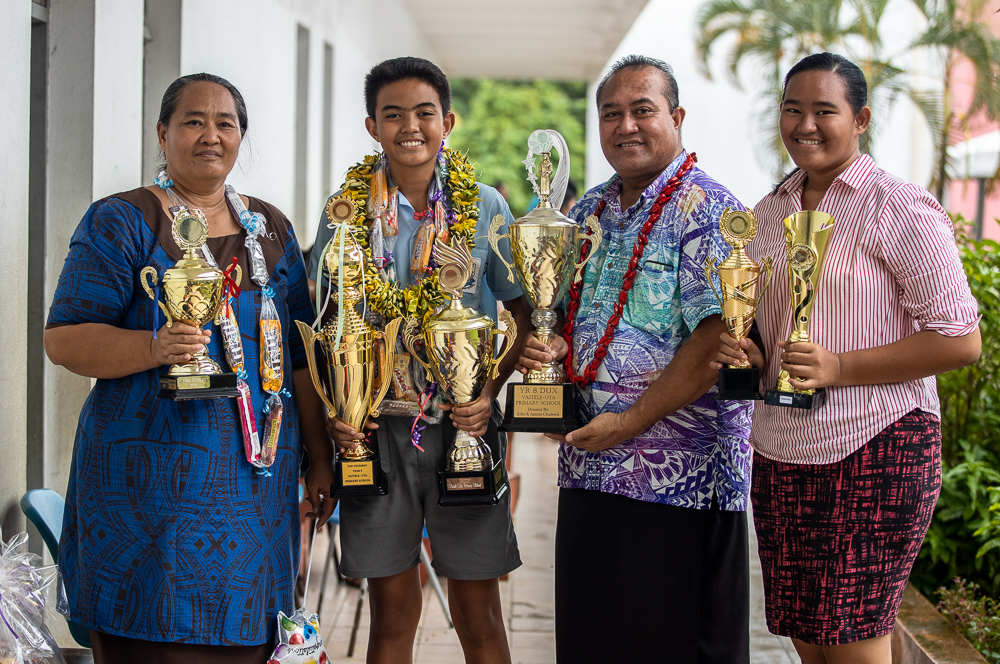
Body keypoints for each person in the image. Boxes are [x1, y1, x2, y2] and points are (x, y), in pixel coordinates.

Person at [43, 73, 333, 663]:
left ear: (241, 136)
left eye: (225, 123)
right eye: (193, 122)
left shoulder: (270, 229)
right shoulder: (121, 221)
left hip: (254, 488)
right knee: (146, 633)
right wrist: (154, 348)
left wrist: (321, 457)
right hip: (140, 490)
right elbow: (64, 339)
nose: (210, 135)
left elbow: (300, 355)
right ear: (162, 133)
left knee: (245, 636)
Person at [713, 53, 981, 664]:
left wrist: (840, 367)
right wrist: (750, 352)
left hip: (875, 445)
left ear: (860, 119)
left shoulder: (899, 207)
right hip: (782, 449)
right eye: (793, 109)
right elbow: (773, 331)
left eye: (824, 111)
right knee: (809, 643)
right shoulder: (767, 214)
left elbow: (961, 339)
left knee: (855, 642)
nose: (805, 125)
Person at [516, 54, 752, 663]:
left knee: (670, 646)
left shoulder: (708, 210)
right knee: (594, 641)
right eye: (611, 114)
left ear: (676, 117)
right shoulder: (587, 211)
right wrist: (553, 349)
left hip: (680, 486)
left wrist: (629, 422)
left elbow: (714, 340)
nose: (626, 126)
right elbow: (571, 315)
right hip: (591, 468)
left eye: (642, 110)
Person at [307, 57, 531, 664]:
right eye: (393, 114)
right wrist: (339, 410)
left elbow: (522, 313)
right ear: (372, 126)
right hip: (375, 432)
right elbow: (329, 322)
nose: (410, 126)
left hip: (465, 427)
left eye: (424, 112)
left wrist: (487, 392)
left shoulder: (484, 207)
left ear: (447, 122)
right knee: (391, 614)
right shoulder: (345, 211)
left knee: (478, 613)